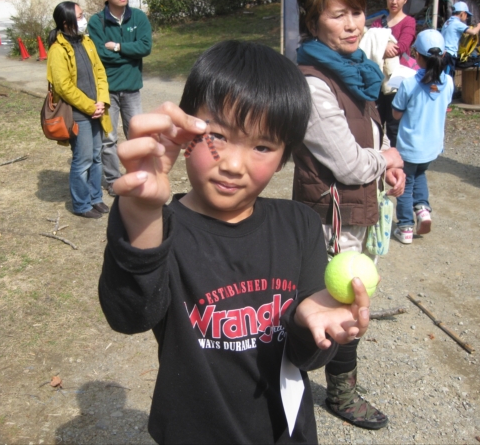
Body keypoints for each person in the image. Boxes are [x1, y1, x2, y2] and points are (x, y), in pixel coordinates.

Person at [98, 40, 373, 443]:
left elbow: (307, 356)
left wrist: (311, 326)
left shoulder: (299, 225)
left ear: (284, 157)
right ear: (187, 131)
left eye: (262, 146)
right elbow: (129, 317)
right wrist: (140, 212)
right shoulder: (163, 226)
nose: (233, 164)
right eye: (219, 136)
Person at [293, 0, 405, 431]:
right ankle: (340, 394)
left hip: (358, 205)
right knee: (344, 299)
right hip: (330, 214)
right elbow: (348, 163)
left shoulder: (354, 70)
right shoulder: (312, 82)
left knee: (351, 297)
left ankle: (332, 384)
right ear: (314, 22)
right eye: (338, 15)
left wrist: (388, 168)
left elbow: (371, 143)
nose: (352, 24)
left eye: (356, 13)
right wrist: (386, 159)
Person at [47, 1, 112, 219]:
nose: (84, 19)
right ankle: (82, 204)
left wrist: (101, 101)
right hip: (78, 114)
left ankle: (95, 198)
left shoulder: (87, 42)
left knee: (96, 157)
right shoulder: (57, 49)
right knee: (82, 160)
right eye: (80, 16)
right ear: (66, 23)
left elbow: (100, 73)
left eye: (83, 14)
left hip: (96, 110)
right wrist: (89, 106)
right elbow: (63, 86)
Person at [391, 29, 454, 244]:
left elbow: (396, 113)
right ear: (443, 55)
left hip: (410, 146)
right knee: (420, 175)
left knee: (405, 185)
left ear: (416, 55)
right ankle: (423, 210)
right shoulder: (449, 82)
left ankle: (406, 227)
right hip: (431, 146)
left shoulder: (409, 84)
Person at [87, 0, 152, 197]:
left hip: (132, 88)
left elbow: (145, 47)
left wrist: (117, 46)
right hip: (107, 90)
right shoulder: (96, 21)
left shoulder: (139, 17)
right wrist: (130, 56)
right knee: (109, 139)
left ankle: (137, 177)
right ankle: (114, 181)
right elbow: (99, 54)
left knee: (137, 136)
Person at [371, 0, 417, 146]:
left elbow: (402, 46)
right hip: (378, 78)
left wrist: (380, 46)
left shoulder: (409, 22)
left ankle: (395, 161)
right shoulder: (378, 22)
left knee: (394, 124)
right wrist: (383, 47)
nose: (394, 2)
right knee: (375, 122)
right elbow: (368, 44)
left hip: (398, 79)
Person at [440, 1, 480, 78]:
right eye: (466, 15)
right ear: (462, 13)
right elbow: (473, 32)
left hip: (443, 53)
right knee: (448, 79)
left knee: (442, 78)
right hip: (449, 54)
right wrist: (479, 26)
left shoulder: (447, 22)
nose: (467, 17)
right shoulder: (457, 23)